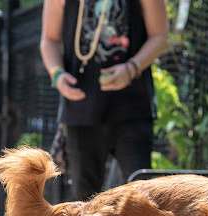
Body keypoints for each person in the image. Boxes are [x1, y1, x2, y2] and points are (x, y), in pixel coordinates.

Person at [40, 0, 168, 200]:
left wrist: (131, 68)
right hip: (80, 109)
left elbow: (160, 36)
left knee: (142, 197)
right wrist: (57, 75)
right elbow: (49, 39)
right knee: (84, 203)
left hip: (132, 109)